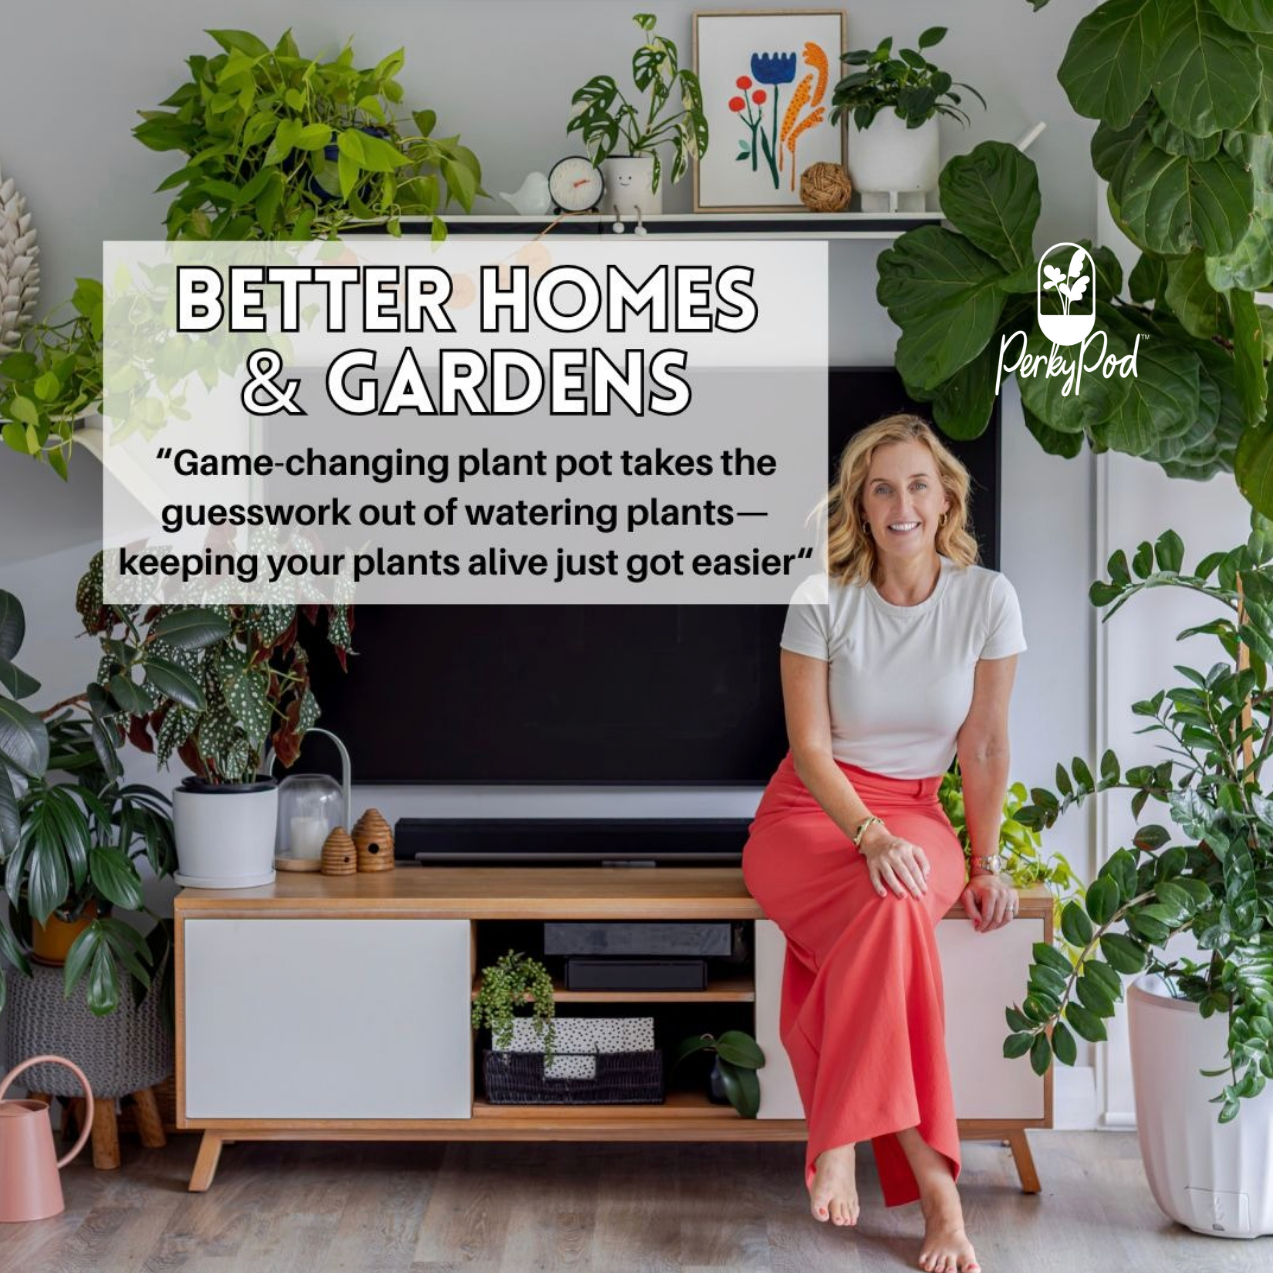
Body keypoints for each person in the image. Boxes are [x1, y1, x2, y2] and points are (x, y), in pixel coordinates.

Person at [741, 414, 1027, 1273]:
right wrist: (862, 834)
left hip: (915, 813)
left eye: (916, 484)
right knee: (892, 912)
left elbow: (981, 745)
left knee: (895, 903)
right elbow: (811, 749)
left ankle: (838, 1131)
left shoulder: (988, 599)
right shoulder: (820, 599)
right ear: (859, 508)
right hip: (811, 814)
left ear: (945, 499)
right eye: (879, 488)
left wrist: (984, 861)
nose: (900, 503)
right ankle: (940, 1200)